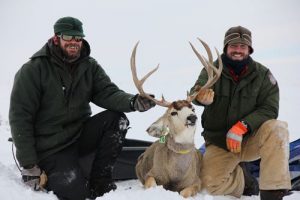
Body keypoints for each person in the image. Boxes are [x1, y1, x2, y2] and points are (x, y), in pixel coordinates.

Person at [9, 16, 155, 200]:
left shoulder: (89, 66)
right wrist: (30, 165)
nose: (74, 43)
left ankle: (101, 179)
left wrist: (132, 102)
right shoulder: (33, 70)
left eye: (78, 38)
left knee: (116, 119)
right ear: (56, 38)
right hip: (51, 148)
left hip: (79, 135)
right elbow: (20, 118)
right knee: (76, 194)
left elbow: (107, 93)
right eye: (68, 37)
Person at [190, 26, 291, 200]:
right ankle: (244, 180)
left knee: (277, 129)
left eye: (243, 47)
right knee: (209, 185)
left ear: (249, 50)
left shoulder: (263, 75)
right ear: (226, 47)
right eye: (234, 46)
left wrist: (242, 126)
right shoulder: (211, 70)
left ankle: (273, 193)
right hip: (220, 142)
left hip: (250, 139)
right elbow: (196, 91)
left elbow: (270, 109)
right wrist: (201, 97)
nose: (238, 50)